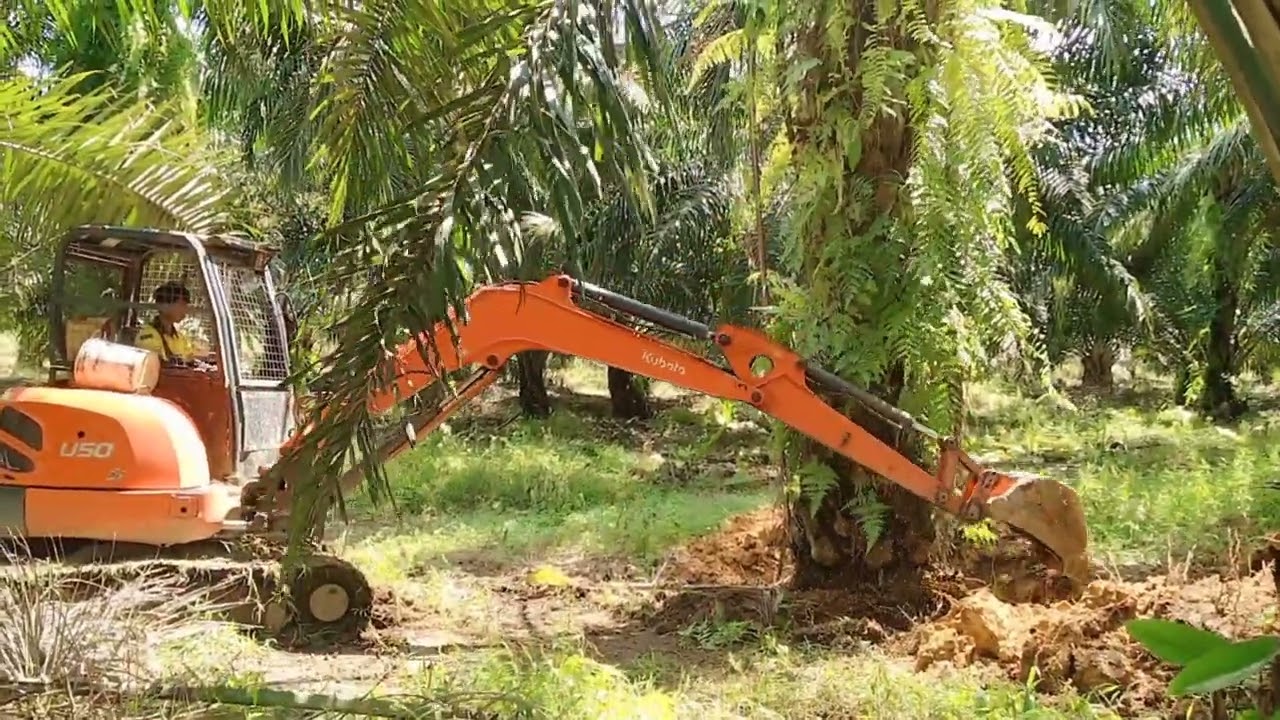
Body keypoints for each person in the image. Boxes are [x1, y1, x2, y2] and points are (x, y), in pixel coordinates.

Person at [136, 281, 202, 365]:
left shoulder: (180, 337)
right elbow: (157, 367)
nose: (185, 310)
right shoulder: (148, 337)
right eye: (181, 305)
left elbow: (191, 358)